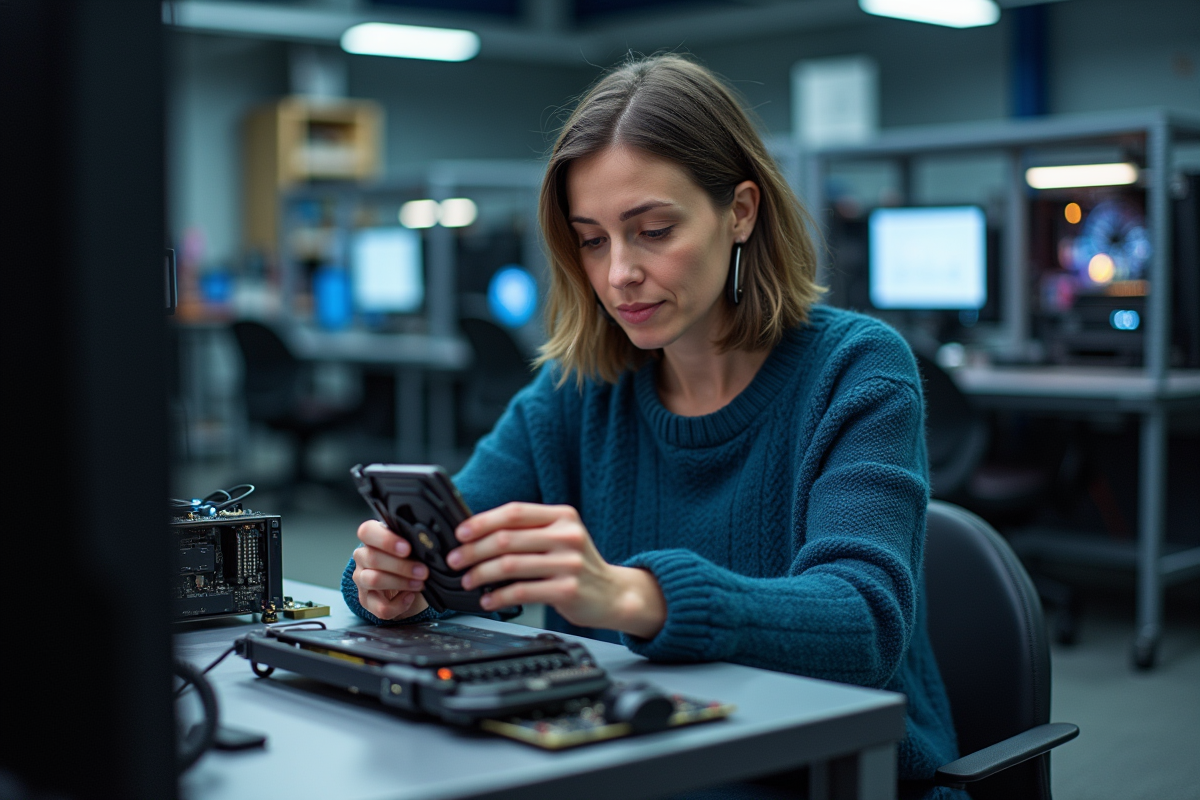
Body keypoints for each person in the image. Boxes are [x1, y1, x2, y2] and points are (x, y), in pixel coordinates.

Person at [343, 54, 962, 798]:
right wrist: (398, 579)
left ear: (740, 211)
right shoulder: (579, 389)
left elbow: (864, 622)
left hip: (825, 776)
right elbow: (458, 546)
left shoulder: (857, 370)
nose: (617, 275)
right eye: (593, 240)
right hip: (631, 763)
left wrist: (637, 596)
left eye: (653, 230)